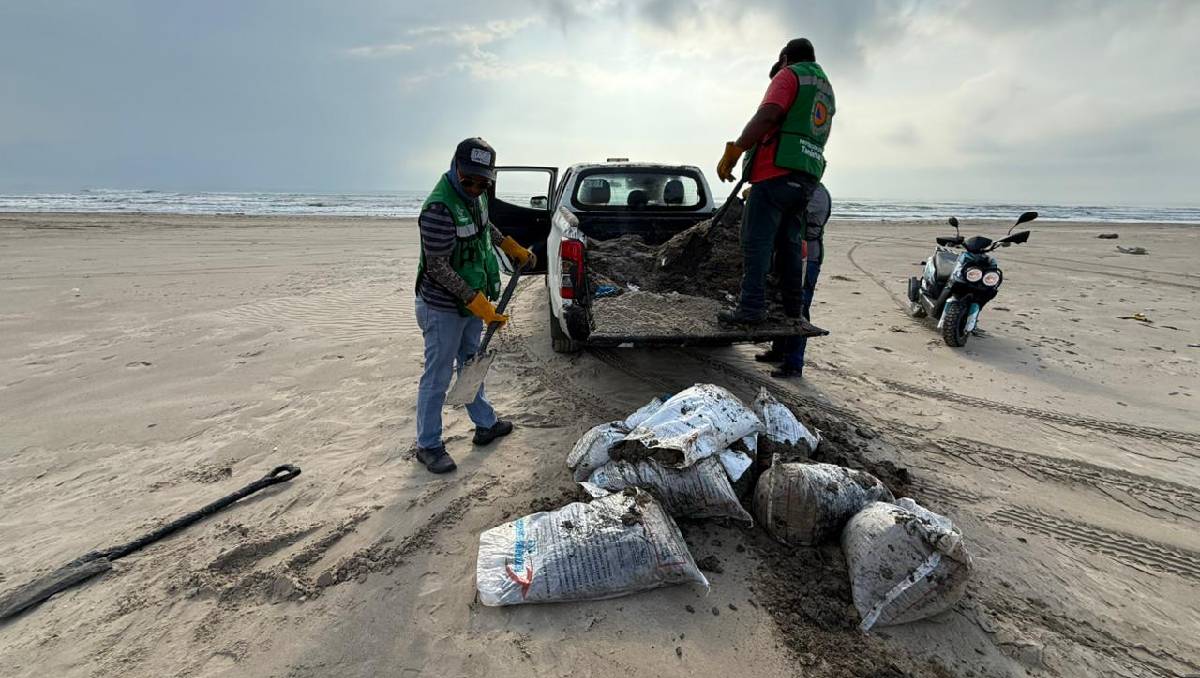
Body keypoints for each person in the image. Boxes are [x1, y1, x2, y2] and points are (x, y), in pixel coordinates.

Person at [413, 137, 536, 474]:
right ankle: (428, 445)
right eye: (469, 181)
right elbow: (437, 267)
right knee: (437, 376)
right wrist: (475, 302)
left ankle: (485, 424)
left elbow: (483, 225)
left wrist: (509, 245)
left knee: (472, 362)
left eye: (484, 183)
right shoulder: (438, 209)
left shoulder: (477, 195)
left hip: (470, 303)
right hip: (442, 308)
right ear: (455, 167)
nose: (475, 189)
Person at [715, 37, 835, 328]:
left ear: (784, 59)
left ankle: (751, 309)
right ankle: (792, 311)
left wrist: (738, 149)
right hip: (806, 177)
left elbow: (768, 115)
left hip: (776, 172)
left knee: (756, 242)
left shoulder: (789, 74)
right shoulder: (825, 89)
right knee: (789, 245)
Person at [757, 183, 831, 378]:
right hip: (791, 253)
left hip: (806, 257)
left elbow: (792, 213)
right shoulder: (805, 190)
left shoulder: (816, 194)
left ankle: (794, 363)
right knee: (782, 303)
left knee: (799, 307)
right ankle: (779, 350)